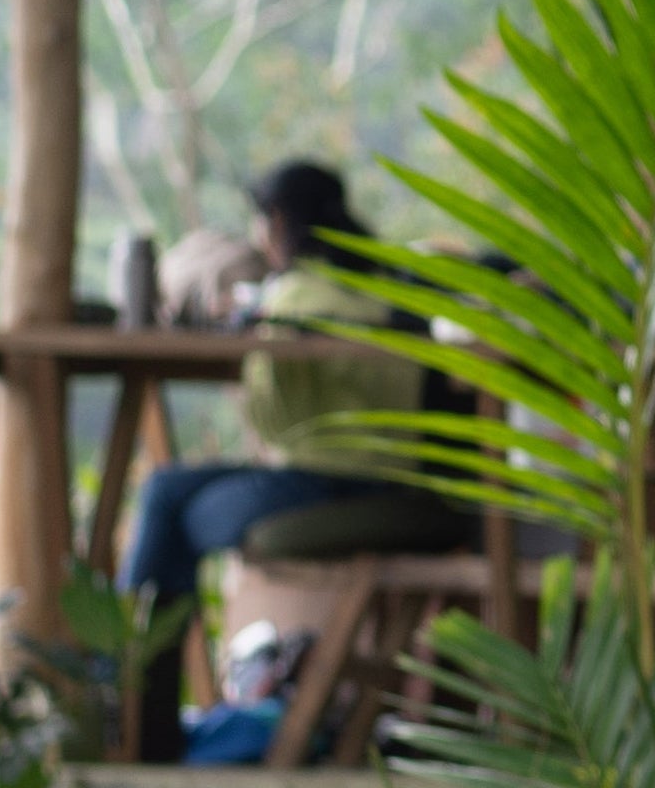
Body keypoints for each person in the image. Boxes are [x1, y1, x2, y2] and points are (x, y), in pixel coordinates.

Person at [114, 159, 465, 753]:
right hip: (389, 477)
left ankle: (131, 699)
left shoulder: (296, 293)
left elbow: (273, 416)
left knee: (172, 508)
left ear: (276, 223)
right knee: (169, 495)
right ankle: (138, 702)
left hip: (342, 480)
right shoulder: (384, 279)